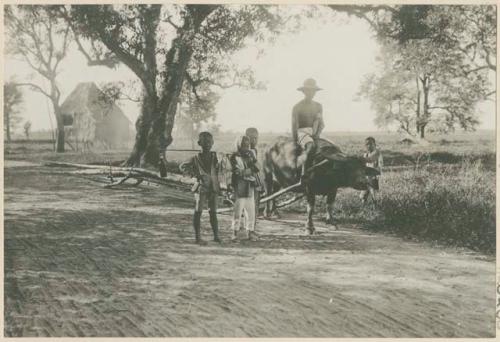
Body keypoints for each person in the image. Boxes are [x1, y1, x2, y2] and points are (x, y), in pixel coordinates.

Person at [179, 132, 221, 245]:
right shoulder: (195, 158)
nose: (207, 144)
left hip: (214, 187)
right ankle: (198, 237)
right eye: (204, 141)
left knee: (213, 212)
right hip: (201, 187)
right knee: (198, 212)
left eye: (209, 141)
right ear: (199, 143)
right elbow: (182, 167)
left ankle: (216, 236)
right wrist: (194, 175)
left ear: (213, 143)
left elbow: (223, 168)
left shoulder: (216, 157)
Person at [292, 78, 325, 184]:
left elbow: (321, 123)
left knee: (329, 148)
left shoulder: (318, 106)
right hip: (302, 132)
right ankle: (303, 174)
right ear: (304, 91)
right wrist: (295, 142)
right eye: (308, 90)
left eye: (313, 91)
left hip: (314, 132)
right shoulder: (297, 107)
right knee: (310, 145)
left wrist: (317, 134)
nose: (311, 93)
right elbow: (294, 126)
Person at [229, 135, 259, 241]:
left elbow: (257, 168)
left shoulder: (250, 156)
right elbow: (237, 173)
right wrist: (249, 171)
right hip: (239, 187)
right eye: (243, 145)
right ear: (238, 145)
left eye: (247, 145)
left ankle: (250, 232)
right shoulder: (234, 157)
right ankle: (235, 233)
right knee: (238, 211)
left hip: (249, 187)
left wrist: (252, 160)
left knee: (251, 211)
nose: (245, 147)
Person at [244, 127, 263, 231]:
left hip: (255, 181)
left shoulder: (254, 150)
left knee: (255, 207)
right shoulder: (246, 151)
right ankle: (249, 230)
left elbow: (257, 168)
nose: (254, 141)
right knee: (250, 208)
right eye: (251, 138)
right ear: (246, 138)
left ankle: (252, 229)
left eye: (256, 138)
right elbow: (254, 167)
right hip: (248, 182)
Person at [360, 136, 383, 204]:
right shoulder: (365, 155)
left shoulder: (377, 153)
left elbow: (380, 165)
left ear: (374, 144)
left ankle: (376, 208)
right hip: (366, 177)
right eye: (367, 144)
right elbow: (363, 166)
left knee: (374, 194)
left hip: (374, 176)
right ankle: (365, 208)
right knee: (363, 195)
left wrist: (377, 174)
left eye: (371, 144)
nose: (369, 146)